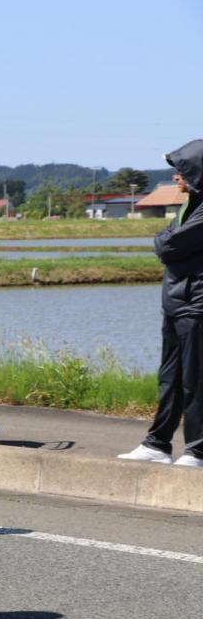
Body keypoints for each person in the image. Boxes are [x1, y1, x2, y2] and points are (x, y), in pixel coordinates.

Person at [117, 140, 203, 467]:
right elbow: (168, 241)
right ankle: (158, 443)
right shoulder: (190, 204)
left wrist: (163, 242)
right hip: (175, 301)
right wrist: (165, 241)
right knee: (169, 378)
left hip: (197, 303)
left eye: (182, 169)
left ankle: (197, 450)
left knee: (195, 379)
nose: (177, 176)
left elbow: (167, 247)